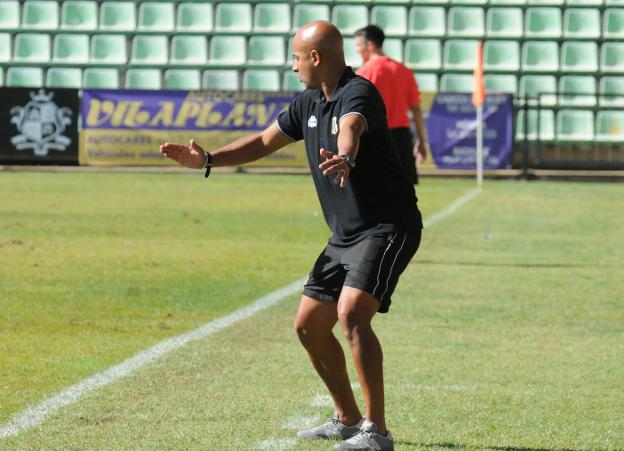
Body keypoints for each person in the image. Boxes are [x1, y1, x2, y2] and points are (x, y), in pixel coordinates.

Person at [160, 21, 423, 451]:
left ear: (315, 58)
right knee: (308, 327)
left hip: (387, 226)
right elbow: (264, 142)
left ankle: (376, 433)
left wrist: (344, 156)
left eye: (296, 58)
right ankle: (347, 419)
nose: (293, 66)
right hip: (345, 235)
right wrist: (208, 159)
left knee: (353, 313)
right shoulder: (306, 102)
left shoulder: (359, 93)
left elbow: (351, 127)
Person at [354, 25, 428, 185]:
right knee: (404, 191)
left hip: (373, 137)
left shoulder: (362, 74)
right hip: (401, 138)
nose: (357, 50)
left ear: (370, 45)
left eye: (358, 46)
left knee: (373, 189)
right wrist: (421, 140)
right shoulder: (404, 71)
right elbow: (416, 109)